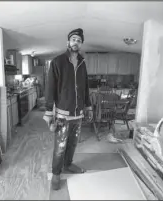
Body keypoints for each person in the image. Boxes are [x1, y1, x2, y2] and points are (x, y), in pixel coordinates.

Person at [43, 28, 93, 190]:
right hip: (63, 114)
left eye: (79, 40)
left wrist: (88, 106)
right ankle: (56, 174)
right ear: (68, 42)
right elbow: (50, 88)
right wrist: (49, 112)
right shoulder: (57, 62)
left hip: (78, 114)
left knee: (73, 144)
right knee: (60, 146)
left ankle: (68, 164)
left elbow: (85, 87)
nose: (76, 42)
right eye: (73, 39)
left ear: (81, 44)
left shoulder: (83, 63)